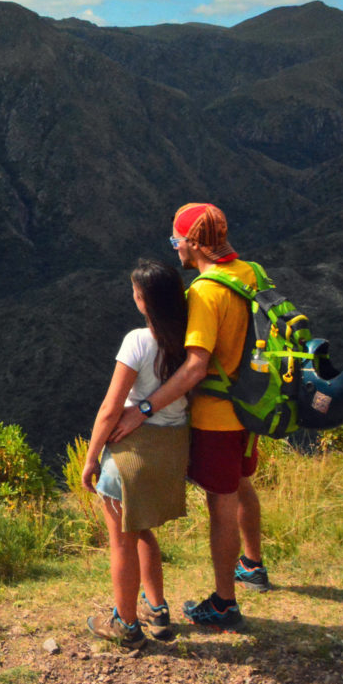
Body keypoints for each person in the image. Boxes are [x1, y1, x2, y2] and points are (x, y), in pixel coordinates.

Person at [110, 202, 270, 632]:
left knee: (221, 504)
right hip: (253, 409)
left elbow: (196, 366)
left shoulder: (205, 291)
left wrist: (145, 408)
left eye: (176, 240)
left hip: (217, 416)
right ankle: (251, 564)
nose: (175, 247)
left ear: (193, 243)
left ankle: (224, 603)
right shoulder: (250, 272)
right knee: (238, 483)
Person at [81, 259, 191, 649]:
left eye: (135, 292)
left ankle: (125, 625)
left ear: (144, 300)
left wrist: (91, 457)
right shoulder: (189, 339)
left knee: (121, 539)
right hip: (174, 448)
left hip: (133, 453)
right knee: (141, 528)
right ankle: (157, 611)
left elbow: (111, 408)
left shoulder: (138, 341)